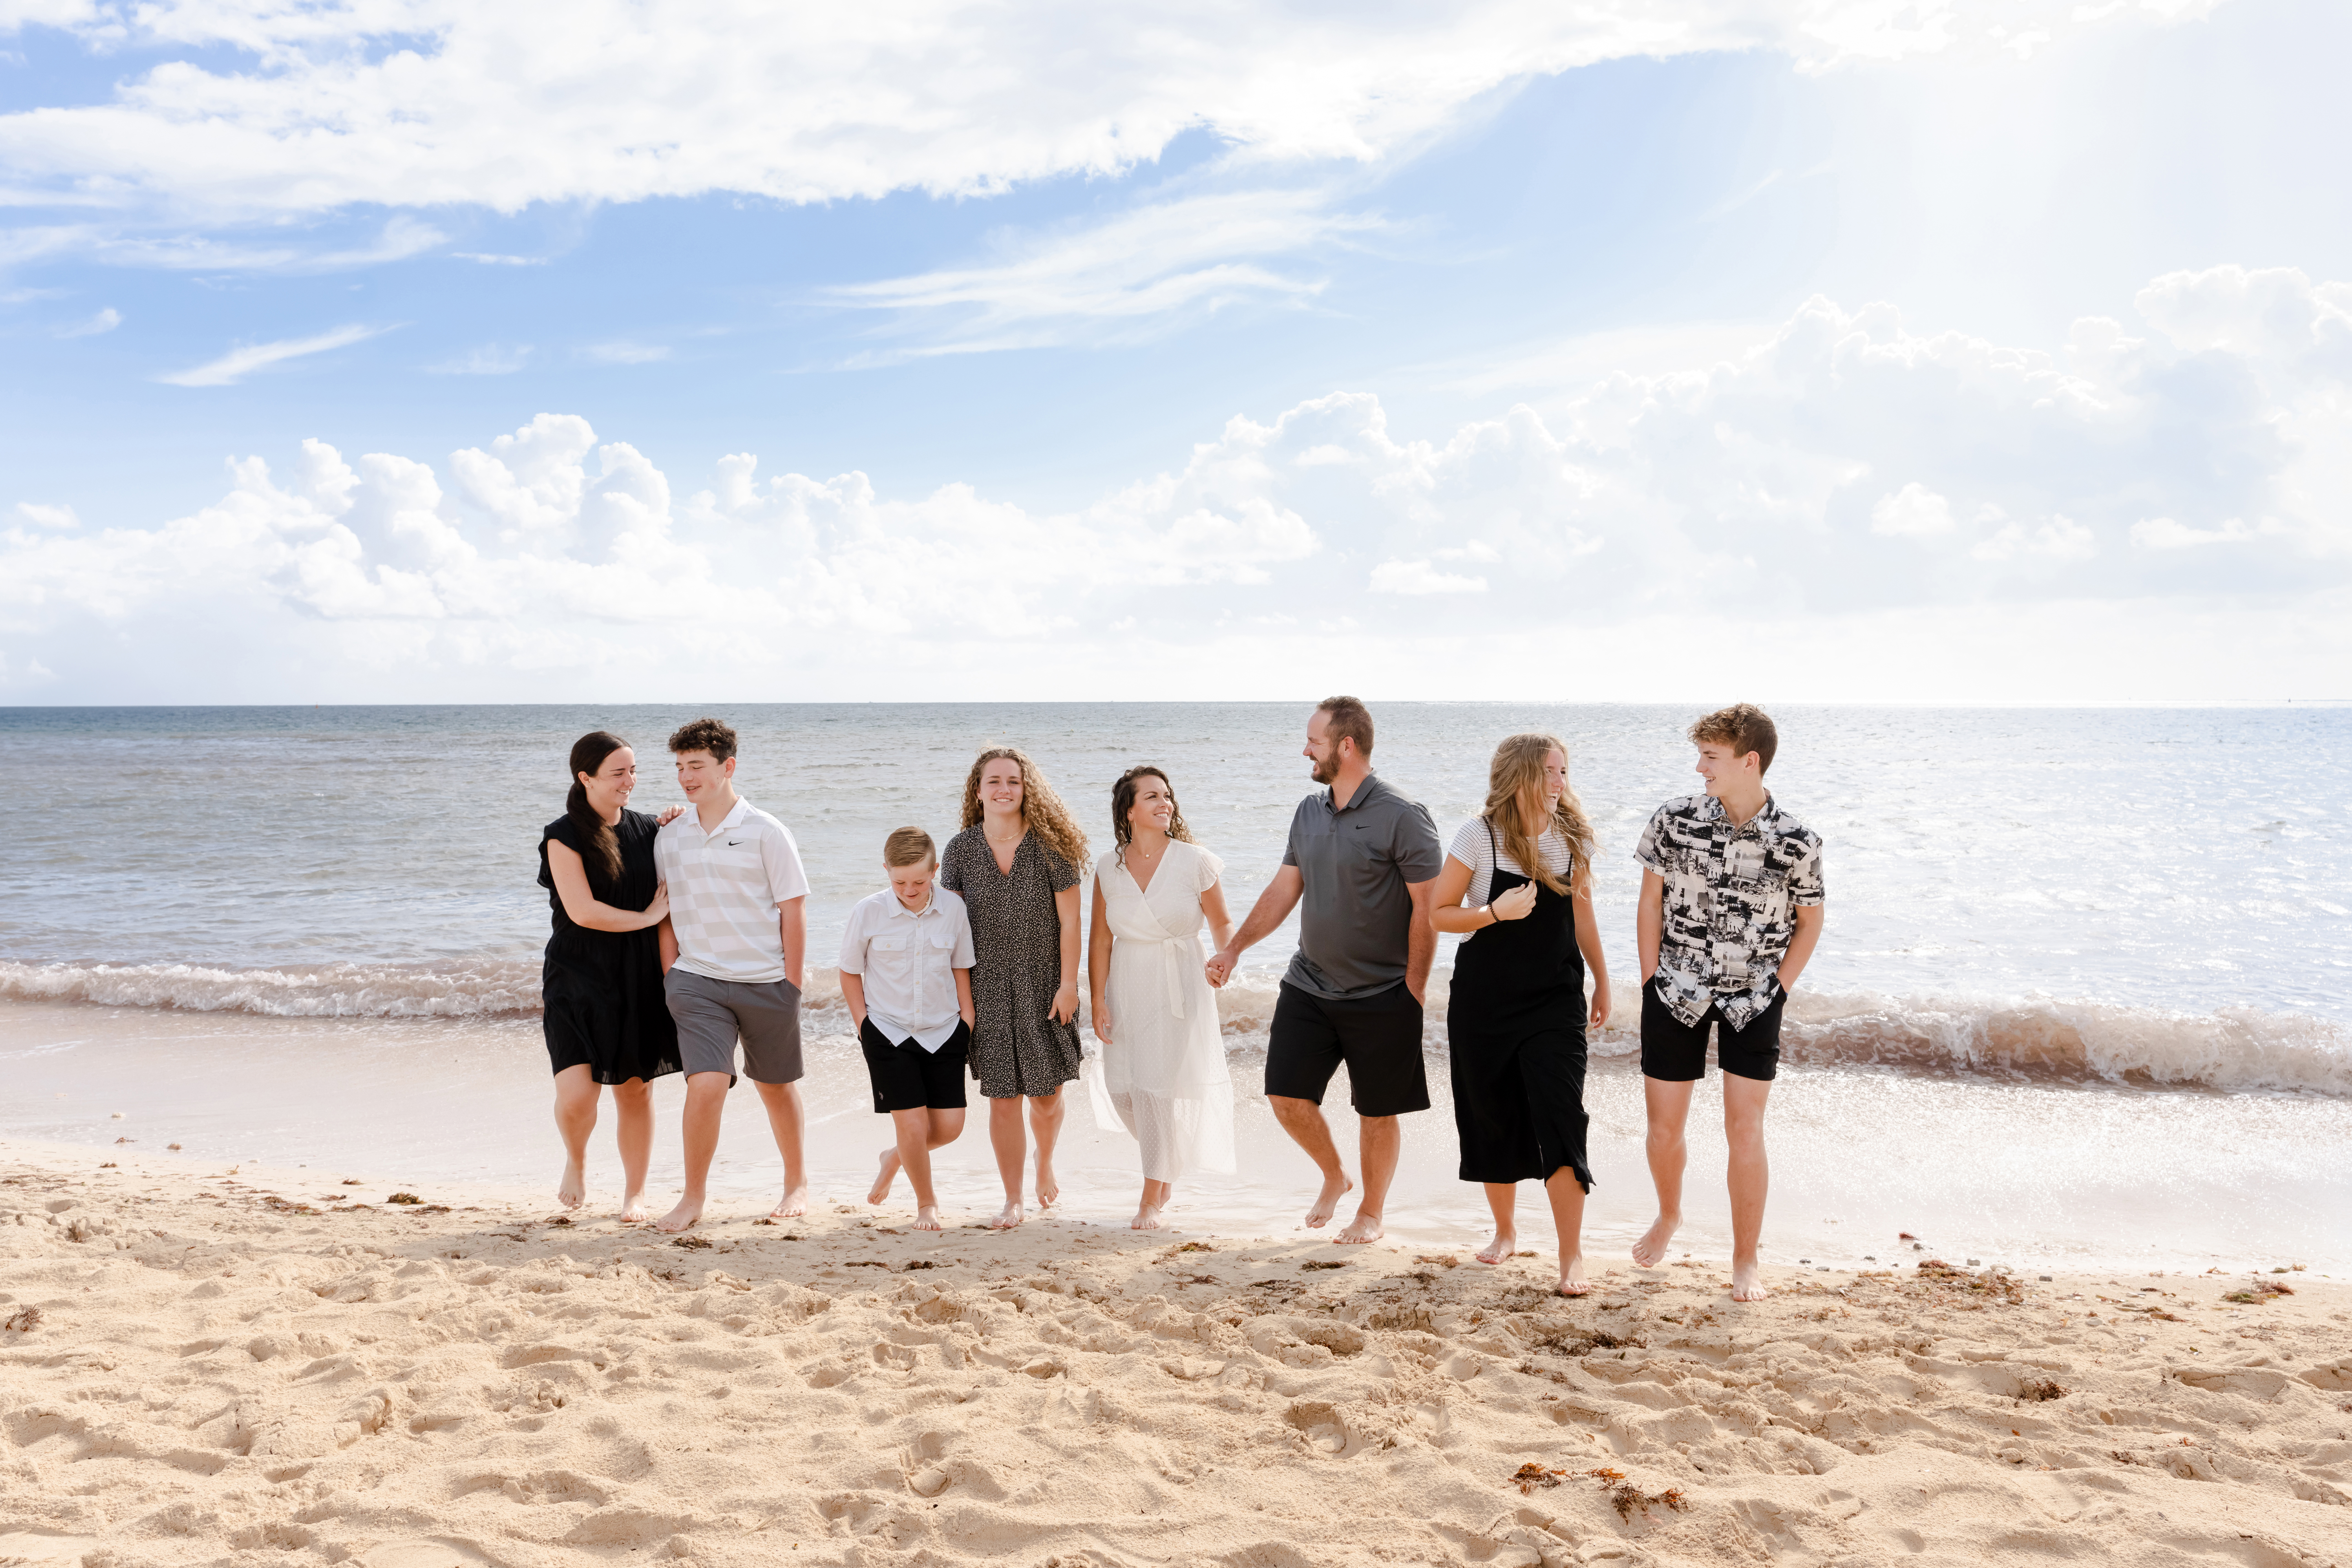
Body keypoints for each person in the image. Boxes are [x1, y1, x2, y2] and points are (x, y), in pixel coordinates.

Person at [1205, 697, 1441, 1244]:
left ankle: (1372, 1212)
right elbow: (1284, 888)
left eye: (1314, 740)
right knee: (1286, 1095)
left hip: (1384, 991)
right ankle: (1335, 1175)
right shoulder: (1308, 811)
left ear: (1346, 746)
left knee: (1378, 1112)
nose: (1305, 749)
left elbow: (1428, 908)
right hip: (1308, 983)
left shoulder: (1403, 814)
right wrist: (1235, 947)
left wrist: (1414, 988)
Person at [1630, 704, 1825, 1302]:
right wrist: (1649, 981)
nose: (1699, 767)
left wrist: (1780, 988)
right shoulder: (1674, 820)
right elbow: (1649, 902)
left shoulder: (1798, 840)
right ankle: (1669, 1214)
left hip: (1754, 996)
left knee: (1745, 1128)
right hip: (1675, 989)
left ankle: (1746, 1260)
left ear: (1749, 761)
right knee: (1664, 1131)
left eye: (1710, 757)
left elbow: (1810, 921)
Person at [1430, 733, 1611, 1295]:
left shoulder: (1570, 838)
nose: (1562, 781)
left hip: (1555, 1001)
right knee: (1494, 1115)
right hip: (1485, 1003)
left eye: (1565, 770)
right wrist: (1492, 912)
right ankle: (1506, 1230)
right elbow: (1439, 914)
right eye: (1552, 771)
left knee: (1561, 1116)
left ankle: (1571, 1258)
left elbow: (1583, 919)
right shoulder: (1478, 835)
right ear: (1523, 776)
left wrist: (1604, 980)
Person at [651, 717, 812, 1233]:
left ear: (728, 767)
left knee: (776, 1086)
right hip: (697, 982)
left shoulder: (768, 831)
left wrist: (792, 984)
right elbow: (666, 912)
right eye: (679, 767)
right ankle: (693, 1197)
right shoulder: (669, 836)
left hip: (767, 982)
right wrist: (671, 974)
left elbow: (794, 910)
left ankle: (796, 1182)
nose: (686, 777)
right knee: (707, 1083)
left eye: (696, 765)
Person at [938, 747, 1089, 1230]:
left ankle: (1045, 1159)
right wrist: (962, 1000)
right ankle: (1013, 1197)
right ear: (978, 791)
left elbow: (1071, 923)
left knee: (1046, 1097)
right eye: (994, 781)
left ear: (1028, 790)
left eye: (1014, 782)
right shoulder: (960, 850)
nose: (1004, 789)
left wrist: (1070, 985)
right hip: (986, 988)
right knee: (1003, 1099)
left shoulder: (1051, 847)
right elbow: (953, 933)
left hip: (1045, 984)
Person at [1087, 765, 1237, 1230]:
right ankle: (1166, 1162)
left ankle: (1151, 1194)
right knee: (1122, 1090)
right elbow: (1099, 941)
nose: (1164, 803)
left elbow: (1223, 924)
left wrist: (1224, 958)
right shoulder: (1109, 868)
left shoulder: (1195, 861)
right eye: (1152, 796)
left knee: (1155, 1086)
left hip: (1180, 980)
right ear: (1129, 810)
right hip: (1127, 981)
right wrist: (1097, 998)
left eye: (1168, 796)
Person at [537, 731, 678, 1221]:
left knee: (636, 1089)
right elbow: (582, 911)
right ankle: (575, 1161)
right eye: (618, 773)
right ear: (586, 778)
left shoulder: (650, 830)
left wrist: (685, 822)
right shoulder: (563, 835)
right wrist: (645, 917)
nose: (630, 781)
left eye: (634, 770)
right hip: (577, 976)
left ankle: (634, 1194)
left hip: (638, 977)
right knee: (577, 1097)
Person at [842, 827, 976, 1233]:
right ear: (886, 871)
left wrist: (966, 1021)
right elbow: (850, 973)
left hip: (943, 1030)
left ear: (935, 870)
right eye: (900, 881)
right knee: (913, 1126)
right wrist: (865, 1027)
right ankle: (927, 1205)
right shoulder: (868, 912)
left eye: (920, 881)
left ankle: (894, 1157)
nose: (910, 889)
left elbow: (961, 966)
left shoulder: (954, 909)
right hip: (888, 1033)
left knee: (949, 1129)